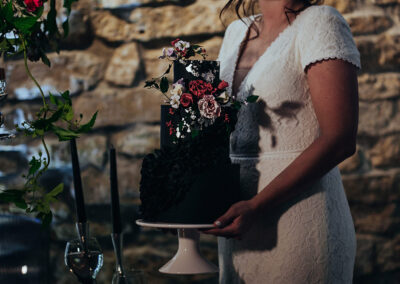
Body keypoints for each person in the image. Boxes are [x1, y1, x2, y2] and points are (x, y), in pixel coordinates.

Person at [202, 0, 361, 283]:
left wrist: (258, 205)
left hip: (300, 219)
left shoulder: (321, 22)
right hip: (238, 225)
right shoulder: (236, 32)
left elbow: (340, 139)